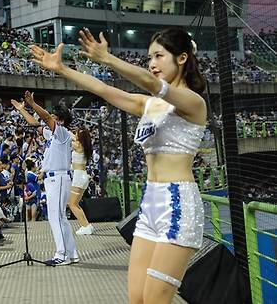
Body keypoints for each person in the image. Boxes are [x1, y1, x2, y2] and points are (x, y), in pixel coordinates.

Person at [31, 27, 207, 303]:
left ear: (182, 58)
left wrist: (108, 59)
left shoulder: (194, 103)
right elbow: (102, 88)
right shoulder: (150, 105)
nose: (152, 63)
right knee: (136, 298)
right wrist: (61, 69)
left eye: (159, 56)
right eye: (149, 57)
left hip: (177, 204)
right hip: (150, 204)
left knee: (154, 300)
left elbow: (153, 84)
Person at [12, 92, 78, 266]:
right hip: (54, 179)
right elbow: (35, 125)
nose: (50, 120)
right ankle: (71, 254)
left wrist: (33, 104)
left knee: (55, 218)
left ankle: (61, 255)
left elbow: (46, 117)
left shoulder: (63, 133)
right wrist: (22, 110)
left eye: (55, 118)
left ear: (61, 121)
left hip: (58, 178)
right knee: (60, 217)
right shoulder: (53, 135)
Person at [68, 127, 95, 235]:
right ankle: (87, 225)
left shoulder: (78, 145)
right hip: (83, 176)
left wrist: (58, 127)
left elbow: (68, 137)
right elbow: (72, 136)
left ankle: (85, 226)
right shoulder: (84, 145)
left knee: (72, 204)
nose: (75, 134)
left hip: (79, 177)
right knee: (76, 204)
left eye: (77, 133)